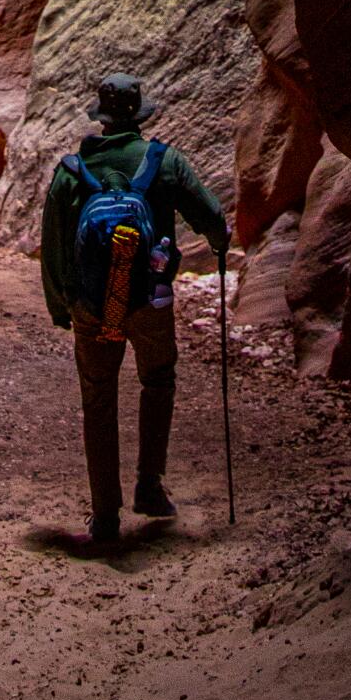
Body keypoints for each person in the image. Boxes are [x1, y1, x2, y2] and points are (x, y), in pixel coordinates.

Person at [40, 70, 231, 546]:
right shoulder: (165, 162)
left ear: (101, 118)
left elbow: (54, 247)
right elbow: (211, 218)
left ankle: (105, 515)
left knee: (98, 398)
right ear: (139, 115)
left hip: (90, 303)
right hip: (151, 296)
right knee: (158, 379)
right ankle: (149, 484)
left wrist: (64, 306)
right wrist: (221, 244)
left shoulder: (70, 171)